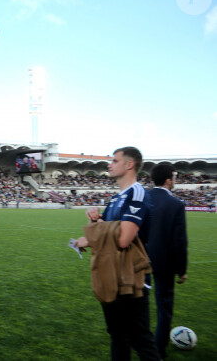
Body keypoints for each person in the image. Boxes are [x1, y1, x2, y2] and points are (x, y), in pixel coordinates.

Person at [75, 147, 160, 361]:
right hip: (111, 274)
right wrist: (95, 221)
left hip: (133, 279)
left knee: (140, 339)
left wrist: (92, 237)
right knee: (117, 336)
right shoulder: (115, 198)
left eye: (114, 160)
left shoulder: (137, 193)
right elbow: (107, 232)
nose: (109, 164)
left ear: (129, 165)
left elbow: (123, 239)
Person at [148, 164, 188, 358]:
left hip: (138, 262)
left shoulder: (142, 198)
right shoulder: (176, 204)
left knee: (138, 306)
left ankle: (138, 343)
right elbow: (179, 241)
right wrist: (182, 270)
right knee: (164, 308)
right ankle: (158, 351)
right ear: (168, 180)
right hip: (163, 264)